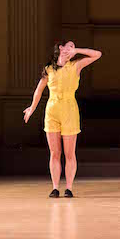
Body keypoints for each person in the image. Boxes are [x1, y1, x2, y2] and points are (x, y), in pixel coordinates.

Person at [23, 40, 102, 198]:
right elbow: (39, 90)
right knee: (54, 152)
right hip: (52, 111)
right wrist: (32, 107)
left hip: (69, 110)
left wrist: (77, 50)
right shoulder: (49, 69)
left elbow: (97, 54)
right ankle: (54, 187)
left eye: (74, 47)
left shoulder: (75, 66)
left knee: (69, 153)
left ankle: (69, 188)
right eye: (70, 46)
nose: (72, 49)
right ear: (61, 48)